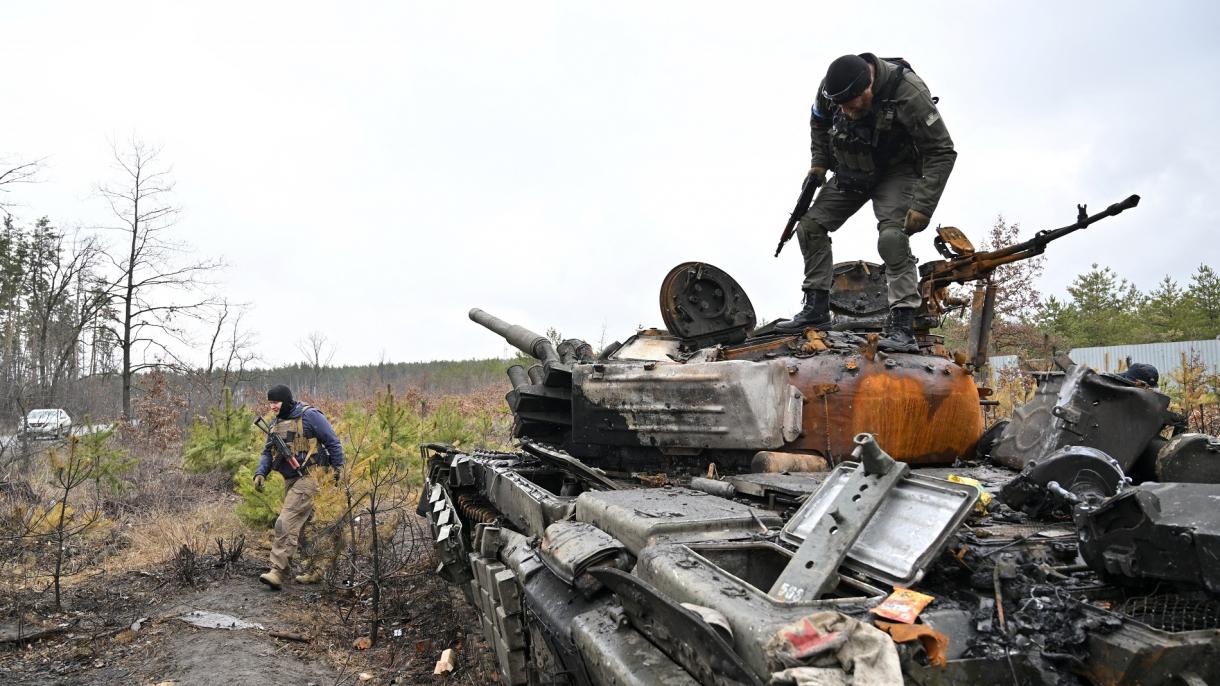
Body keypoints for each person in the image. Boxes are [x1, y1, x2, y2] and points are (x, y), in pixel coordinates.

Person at [777, 53, 957, 350]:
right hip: (853, 169)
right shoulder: (830, 90)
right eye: (841, 105)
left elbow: (942, 151)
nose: (845, 111)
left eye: (852, 103)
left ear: (869, 86)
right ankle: (816, 309)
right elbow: (818, 122)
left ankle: (902, 326)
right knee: (809, 227)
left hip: (897, 171)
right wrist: (819, 162)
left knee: (891, 239)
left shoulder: (908, 93)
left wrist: (924, 207)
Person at [253, 384, 345, 590]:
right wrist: (260, 472)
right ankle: (318, 569)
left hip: (311, 476)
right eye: (270, 403)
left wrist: (339, 469)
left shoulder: (309, 416)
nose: (272, 407)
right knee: (309, 525)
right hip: (290, 479)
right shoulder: (276, 423)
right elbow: (268, 452)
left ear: (285, 400)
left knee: (285, 521)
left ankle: (277, 571)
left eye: (275, 402)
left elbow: (333, 442)